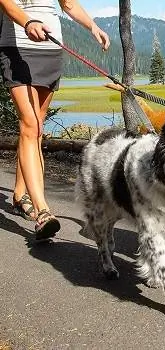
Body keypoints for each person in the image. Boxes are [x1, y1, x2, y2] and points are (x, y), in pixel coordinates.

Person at [0, 0, 110, 239]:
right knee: (30, 125)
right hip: (17, 47)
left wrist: (93, 26)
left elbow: (68, 4)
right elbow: (8, 5)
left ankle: (20, 194)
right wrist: (28, 22)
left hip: (50, 48)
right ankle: (43, 212)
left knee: (35, 128)